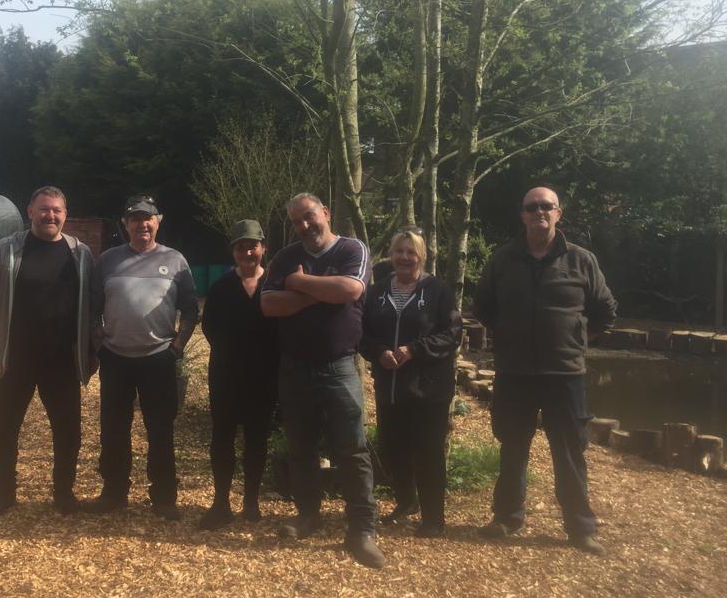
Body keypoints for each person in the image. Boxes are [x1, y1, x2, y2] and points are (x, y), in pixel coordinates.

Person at [475, 186, 617, 555]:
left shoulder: (581, 260)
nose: (539, 212)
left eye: (546, 206)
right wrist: (508, 336)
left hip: (564, 374)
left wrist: (576, 338)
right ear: (522, 215)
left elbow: (605, 310)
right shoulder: (502, 260)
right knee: (513, 446)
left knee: (569, 451)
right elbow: (484, 307)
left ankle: (580, 528)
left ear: (558, 214)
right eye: (532, 207)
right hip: (515, 373)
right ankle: (507, 518)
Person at [261, 193, 385, 569]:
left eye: (309, 216)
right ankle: (308, 515)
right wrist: (321, 291)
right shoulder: (285, 258)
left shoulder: (352, 249)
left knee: (352, 449)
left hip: (339, 367)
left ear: (326, 213)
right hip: (295, 368)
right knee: (301, 447)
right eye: (296, 221)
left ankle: (362, 530)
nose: (304, 225)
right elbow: (269, 305)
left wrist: (299, 283)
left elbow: (352, 290)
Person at [0, 186, 97, 518]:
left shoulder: (81, 254)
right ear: (30, 211)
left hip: (62, 360)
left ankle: (63, 493)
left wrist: (91, 351)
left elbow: (93, 306)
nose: (50, 216)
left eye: (56, 210)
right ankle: (5, 494)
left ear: (65, 215)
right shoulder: (7, 249)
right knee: (3, 428)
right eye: (43, 209)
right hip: (13, 358)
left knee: (68, 431)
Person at [84, 195, 199, 521]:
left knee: (160, 430)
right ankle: (114, 492)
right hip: (115, 359)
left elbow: (190, 310)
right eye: (135, 219)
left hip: (158, 359)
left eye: (147, 218)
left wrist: (177, 347)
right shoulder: (107, 260)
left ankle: (164, 496)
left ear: (157, 222)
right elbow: (92, 309)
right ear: (126, 224)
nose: (141, 224)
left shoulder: (175, 260)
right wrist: (99, 345)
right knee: (113, 429)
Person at [360, 228, 462, 537]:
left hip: (428, 388)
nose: (404, 257)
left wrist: (415, 349)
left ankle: (433, 518)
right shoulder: (377, 293)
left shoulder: (438, 291)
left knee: (428, 452)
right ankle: (406, 501)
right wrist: (378, 352)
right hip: (390, 387)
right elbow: (362, 333)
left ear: (422, 256)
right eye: (399, 251)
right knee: (393, 449)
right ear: (390, 255)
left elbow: (452, 334)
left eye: (411, 252)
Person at [198, 219, 277, 529]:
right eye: (241, 247)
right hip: (226, 375)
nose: (247, 253)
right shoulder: (221, 288)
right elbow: (209, 327)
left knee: (257, 439)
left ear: (263, 248)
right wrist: (232, 353)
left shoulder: (274, 285)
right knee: (222, 438)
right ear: (233, 251)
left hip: (264, 377)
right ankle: (221, 502)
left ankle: (251, 501)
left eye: (253, 246)